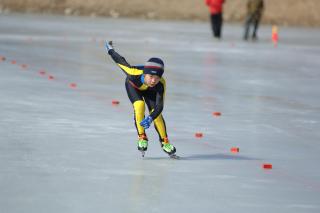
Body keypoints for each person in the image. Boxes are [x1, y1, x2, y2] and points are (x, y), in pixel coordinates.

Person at [104, 41, 178, 158]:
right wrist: (110, 50)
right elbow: (120, 61)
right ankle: (142, 137)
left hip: (150, 92)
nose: (154, 80)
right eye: (151, 77)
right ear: (145, 74)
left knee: (156, 114)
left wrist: (150, 118)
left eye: (157, 77)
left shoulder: (160, 84)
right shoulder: (133, 73)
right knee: (139, 106)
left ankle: (165, 142)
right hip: (134, 87)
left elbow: (160, 106)